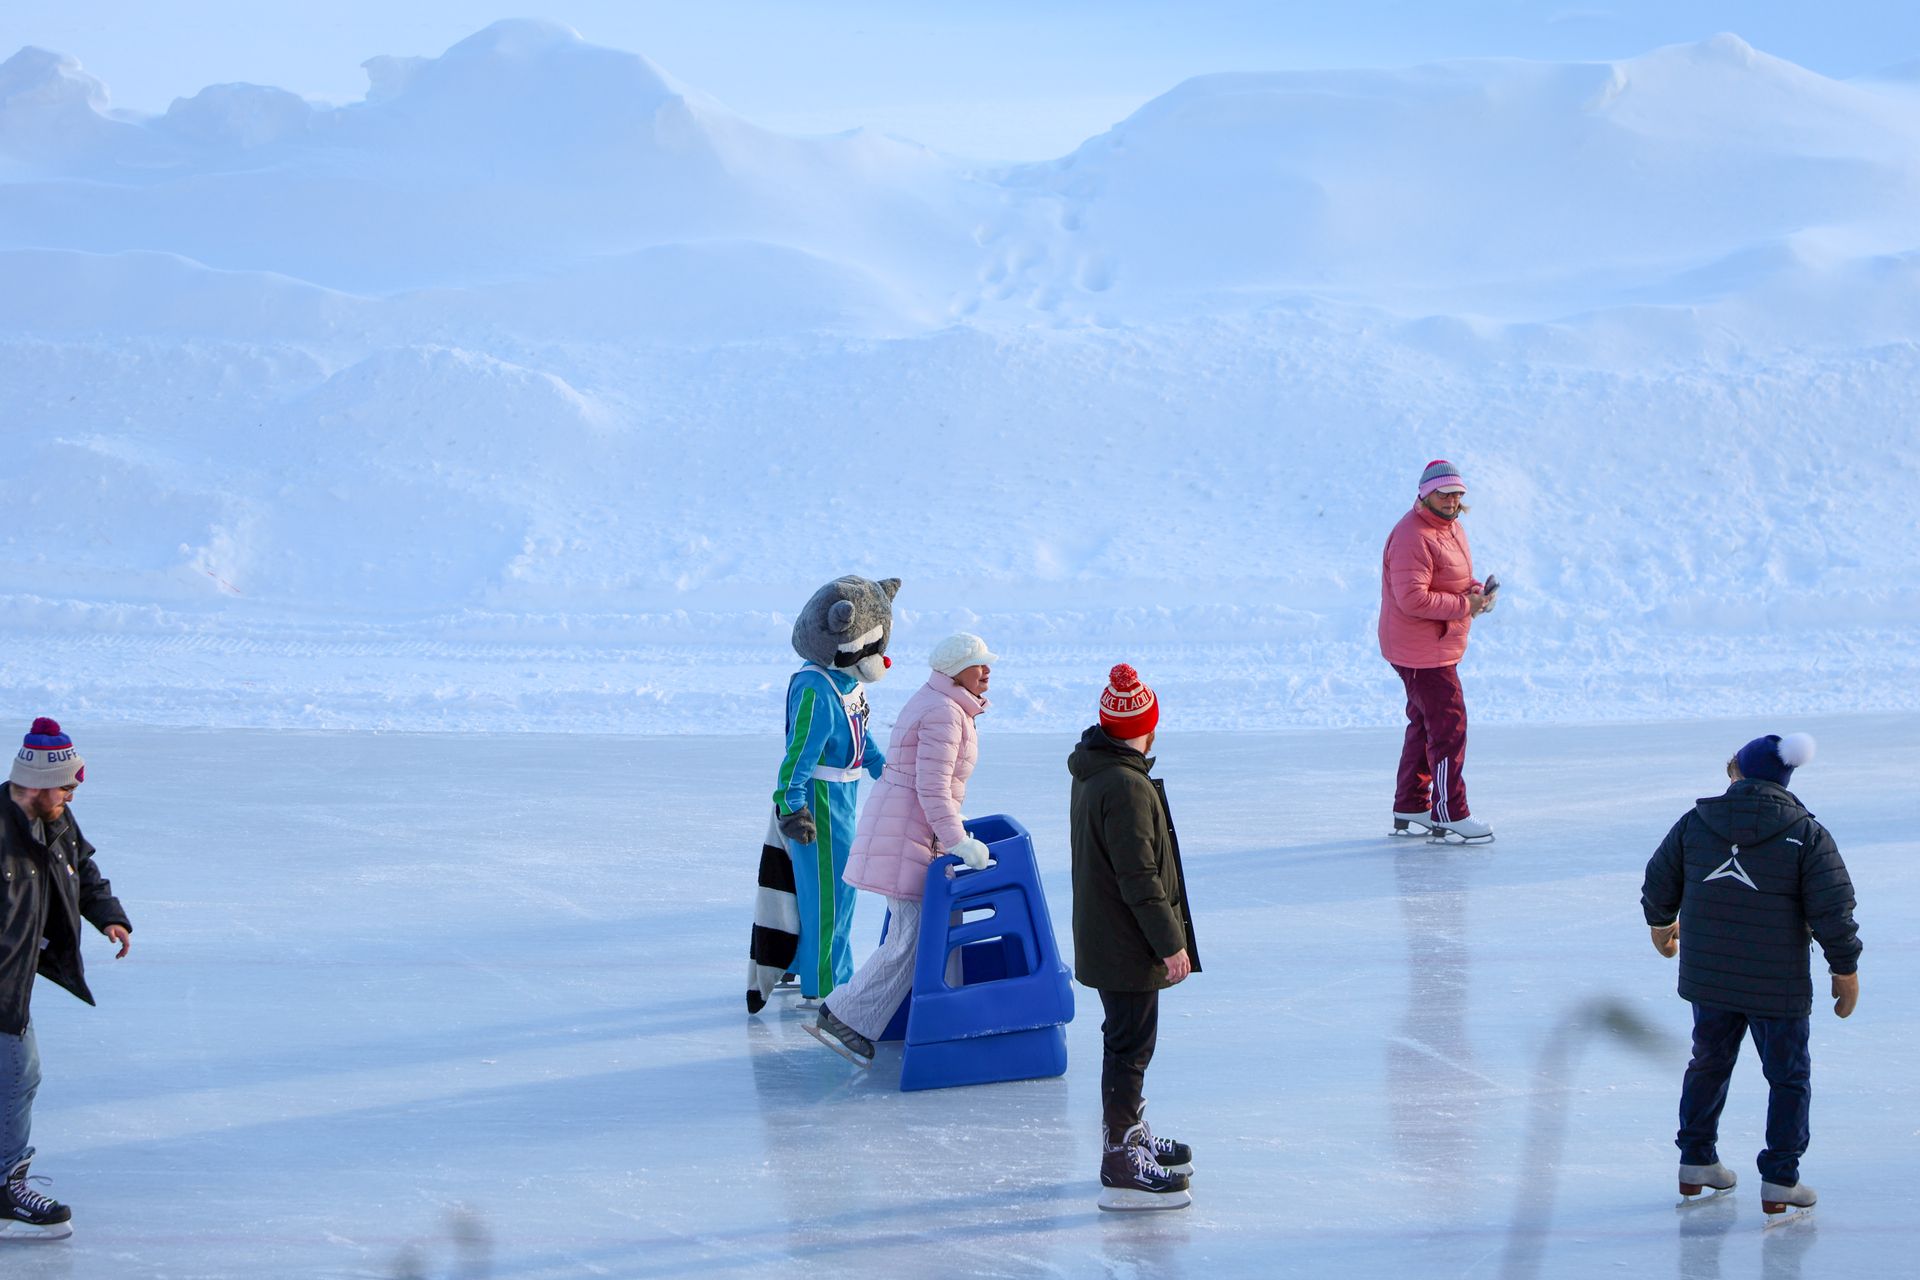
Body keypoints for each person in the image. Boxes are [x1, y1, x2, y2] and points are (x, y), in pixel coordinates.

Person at [1640, 732, 1860, 1221]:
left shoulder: (1696, 822)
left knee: (1708, 1062)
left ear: (1738, 772)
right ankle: (1781, 1177)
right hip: (1775, 986)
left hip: (1710, 978)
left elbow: (1659, 880)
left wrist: (1661, 923)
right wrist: (1844, 968)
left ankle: (1696, 1161)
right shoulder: (1805, 834)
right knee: (1787, 1077)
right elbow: (1834, 909)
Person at [808, 633, 998, 1066]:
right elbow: (931, 788)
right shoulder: (944, 714)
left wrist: (953, 835)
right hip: (907, 836)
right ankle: (843, 1015)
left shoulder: (948, 705)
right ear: (955, 671)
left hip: (914, 833)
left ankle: (947, 1022)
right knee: (910, 938)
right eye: (979, 663)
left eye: (988, 663)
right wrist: (957, 840)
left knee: (930, 932)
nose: (987, 670)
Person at [1067, 664, 1200, 1212]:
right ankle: (1121, 1152)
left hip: (1113, 937)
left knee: (1128, 1042)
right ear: (1144, 729)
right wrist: (1170, 943)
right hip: (1126, 943)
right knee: (1129, 1047)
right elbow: (1138, 876)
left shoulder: (1101, 770)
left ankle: (1132, 1133)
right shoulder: (1123, 785)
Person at [2, 718, 132, 1242]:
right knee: (17, 1076)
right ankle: (6, 1187)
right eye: (67, 787)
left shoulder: (55, 822)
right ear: (36, 782)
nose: (72, 797)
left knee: (18, 1077)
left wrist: (108, 915)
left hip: (11, 981)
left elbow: (84, 869)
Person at [1379, 458, 1496, 843]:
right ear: (1426, 494)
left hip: (1436, 644)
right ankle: (1449, 812)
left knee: (1426, 723)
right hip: (1420, 651)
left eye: (1456, 494)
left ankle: (1412, 804)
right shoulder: (1413, 535)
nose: (1451, 501)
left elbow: (1456, 578)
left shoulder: (1451, 528)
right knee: (1449, 726)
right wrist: (1466, 607)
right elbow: (1412, 598)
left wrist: (1477, 592)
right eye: (1444, 494)